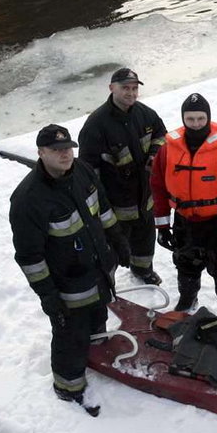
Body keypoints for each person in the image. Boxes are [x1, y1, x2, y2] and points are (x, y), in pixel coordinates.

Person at [9, 124, 132, 415]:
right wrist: (49, 296)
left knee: (97, 316)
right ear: (40, 153)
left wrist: (117, 240)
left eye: (68, 148)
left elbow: (101, 208)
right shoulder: (28, 199)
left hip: (98, 270)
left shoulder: (82, 171)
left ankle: (94, 354)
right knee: (70, 335)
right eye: (56, 150)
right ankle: (68, 387)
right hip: (68, 286)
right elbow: (30, 257)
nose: (65, 154)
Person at [149, 93, 217, 323]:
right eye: (190, 119)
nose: (195, 124)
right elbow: (158, 186)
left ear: (208, 118)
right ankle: (188, 298)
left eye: (200, 118)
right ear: (184, 119)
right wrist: (163, 227)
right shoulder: (167, 151)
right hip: (184, 221)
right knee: (185, 264)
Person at [78, 67, 167, 286]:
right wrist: (99, 204)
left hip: (144, 197)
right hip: (116, 204)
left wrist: (155, 154)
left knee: (145, 240)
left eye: (135, 88)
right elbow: (88, 171)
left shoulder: (146, 114)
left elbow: (161, 135)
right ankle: (106, 282)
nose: (131, 93)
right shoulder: (96, 125)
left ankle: (143, 269)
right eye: (125, 88)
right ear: (111, 88)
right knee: (113, 247)